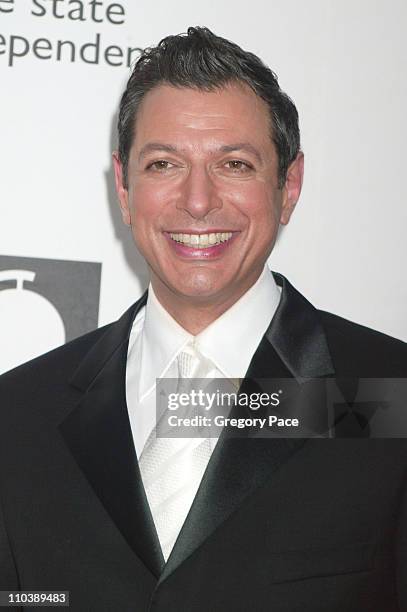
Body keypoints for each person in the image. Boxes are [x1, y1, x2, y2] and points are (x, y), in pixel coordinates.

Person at [0, 26, 406, 612]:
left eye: (235, 164)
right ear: (123, 185)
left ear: (288, 186)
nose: (197, 201)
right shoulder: (18, 414)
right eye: (164, 163)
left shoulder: (390, 394)